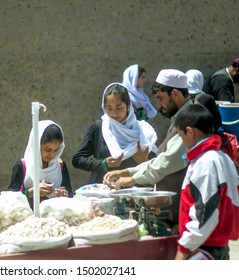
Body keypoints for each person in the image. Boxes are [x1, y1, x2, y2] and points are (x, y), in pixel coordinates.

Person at [103, 69, 192, 227]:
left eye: (160, 98)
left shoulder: (189, 120)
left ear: (176, 94)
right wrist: (127, 171)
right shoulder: (179, 118)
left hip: (184, 205)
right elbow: (160, 160)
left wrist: (132, 178)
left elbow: (166, 163)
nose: (158, 105)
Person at [173, 104, 239, 260]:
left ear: (190, 131)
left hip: (206, 248)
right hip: (216, 245)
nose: (183, 142)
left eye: (181, 136)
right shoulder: (221, 157)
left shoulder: (206, 162)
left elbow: (206, 212)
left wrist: (183, 249)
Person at [72, 82, 157, 185]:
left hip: (132, 192)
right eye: (109, 108)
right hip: (102, 191)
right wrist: (103, 164)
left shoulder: (143, 131)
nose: (114, 113)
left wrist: (144, 161)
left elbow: (156, 166)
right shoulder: (99, 128)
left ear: (128, 105)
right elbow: (78, 160)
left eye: (119, 107)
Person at [8, 120, 73, 209]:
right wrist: (32, 192)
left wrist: (63, 194)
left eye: (56, 150)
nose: (52, 155)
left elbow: (70, 194)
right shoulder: (22, 166)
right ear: (36, 144)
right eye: (47, 150)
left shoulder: (60, 166)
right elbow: (11, 199)